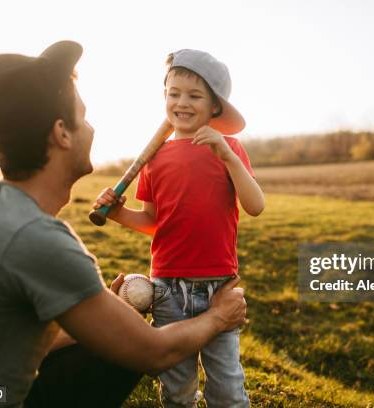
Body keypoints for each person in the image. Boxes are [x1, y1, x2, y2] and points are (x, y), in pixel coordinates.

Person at [0, 41, 247, 408]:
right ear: (61, 133)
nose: (92, 128)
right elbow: (153, 353)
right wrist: (218, 317)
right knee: (121, 352)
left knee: (108, 337)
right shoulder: (36, 238)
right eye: (83, 117)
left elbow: (17, 334)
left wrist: (113, 309)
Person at [93, 49, 264, 407]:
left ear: (215, 106)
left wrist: (228, 157)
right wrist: (118, 214)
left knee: (228, 388)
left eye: (194, 95)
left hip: (218, 286)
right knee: (177, 389)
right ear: (164, 97)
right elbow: (154, 223)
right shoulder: (156, 158)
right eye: (174, 93)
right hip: (167, 286)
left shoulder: (230, 149)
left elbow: (255, 206)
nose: (181, 103)